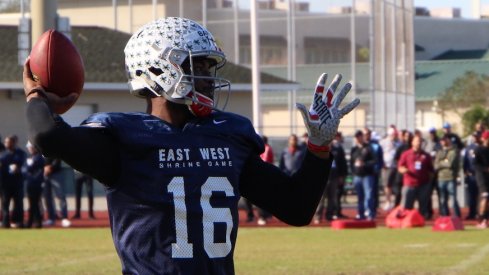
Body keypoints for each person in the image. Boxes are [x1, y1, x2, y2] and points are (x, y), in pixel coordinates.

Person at [23, 17, 359, 274]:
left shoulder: (227, 135)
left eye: (209, 67)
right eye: (197, 65)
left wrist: (319, 147)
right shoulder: (123, 139)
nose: (208, 78)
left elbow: (296, 208)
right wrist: (36, 92)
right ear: (158, 68)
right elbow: (48, 136)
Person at [314, 131, 348, 223]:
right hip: (322, 177)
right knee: (321, 199)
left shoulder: (338, 149)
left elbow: (342, 163)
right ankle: (318, 216)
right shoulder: (320, 149)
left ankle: (329, 215)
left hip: (334, 176)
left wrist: (342, 176)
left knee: (332, 198)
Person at [397, 135, 434, 219]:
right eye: (417, 141)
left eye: (420, 141)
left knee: (423, 206)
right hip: (409, 183)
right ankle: (406, 221)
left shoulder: (426, 155)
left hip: (423, 184)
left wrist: (429, 181)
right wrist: (404, 170)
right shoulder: (406, 154)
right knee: (407, 206)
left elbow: (431, 170)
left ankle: (421, 220)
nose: (419, 143)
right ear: (412, 142)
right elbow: (400, 167)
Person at [0, 135, 26, 228]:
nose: (6, 144)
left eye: (8, 142)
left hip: (17, 183)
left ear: (13, 143)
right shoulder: (2, 154)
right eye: (5, 142)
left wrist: (18, 168)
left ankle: (18, 222)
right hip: (5, 184)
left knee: (18, 203)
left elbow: (24, 166)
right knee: (5, 204)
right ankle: (5, 223)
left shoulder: (21, 153)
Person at [350, 130, 376, 220]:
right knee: (360, 196)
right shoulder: (354, 149)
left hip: (367, 175)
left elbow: (374, 160)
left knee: (368, 196)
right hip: (357, 176)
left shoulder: (369, 147)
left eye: (359, 137)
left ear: (362, 137)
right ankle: (361, 214)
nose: (357, 139)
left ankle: (369, 213)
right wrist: (354, 172)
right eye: (356, 137)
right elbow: (351, 163)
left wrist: (364, 163)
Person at [434, 134, 461, 217]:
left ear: (448, 140)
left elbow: (450, 164)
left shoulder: (453, 151)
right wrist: (443, 162)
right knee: (442, 199)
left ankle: (456, 216)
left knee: (453, 199)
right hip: (441, 178)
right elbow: (435, 165)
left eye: (444, 140)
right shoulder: (440, 151)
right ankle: (445, 216)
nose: (443, 142)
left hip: (450, 177)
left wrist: (441, 163)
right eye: (441, 140)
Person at [43, 158, 71, 227]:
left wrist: (50, 167)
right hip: (45, 174)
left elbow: (57, 158)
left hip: (56, 173)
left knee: (61, 196)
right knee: (48, 197)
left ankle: (64, 217)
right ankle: (51, 218)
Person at [22, 142, 45, 228]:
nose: (30, 149)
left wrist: (27, 170)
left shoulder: (39, 158)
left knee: (34, 204)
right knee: (32, 204)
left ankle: (34, 222)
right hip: (30, 183)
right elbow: (24, 169)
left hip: (36, 184)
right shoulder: (30, 157)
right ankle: (34, 222)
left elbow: (30, 169)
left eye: (31, 147)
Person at [379, 126, 400, 211]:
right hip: (387, 166)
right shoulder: (383, 142)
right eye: (393, 135)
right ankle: (388, 201)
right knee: (387, 185)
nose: (395, 136)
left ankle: (394, 202)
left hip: (395, 166)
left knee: (395, 185)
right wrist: (382, 163)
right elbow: (380, 154)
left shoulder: (397, 143)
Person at [363, 128, 384, 213]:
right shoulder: (360, 145)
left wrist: (378, 168)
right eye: (364, 134)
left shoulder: (376, 145)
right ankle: (365, 209)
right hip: (362, 173)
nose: (366, 136)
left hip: (373, 172)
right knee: (364, 192)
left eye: (368, 134)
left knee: (373, 191)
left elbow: (380, 159)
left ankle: (373, 208)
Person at [463, 131, 481, 220]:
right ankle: (472, 213)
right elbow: (465, 161)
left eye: (477, 136)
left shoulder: (483, 147)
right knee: (471, 196)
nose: (475, 138)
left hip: (481, 175)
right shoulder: (469, 148)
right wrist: (465, 171)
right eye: (474, 136)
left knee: (481, 195)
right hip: (471, 175)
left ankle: (481, 213)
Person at [474, 130, 489, 228]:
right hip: (482, 177)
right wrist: (485, 169)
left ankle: (486, 218)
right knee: (485, 196)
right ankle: (481, 219)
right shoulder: (478, 150)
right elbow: (475, 165)